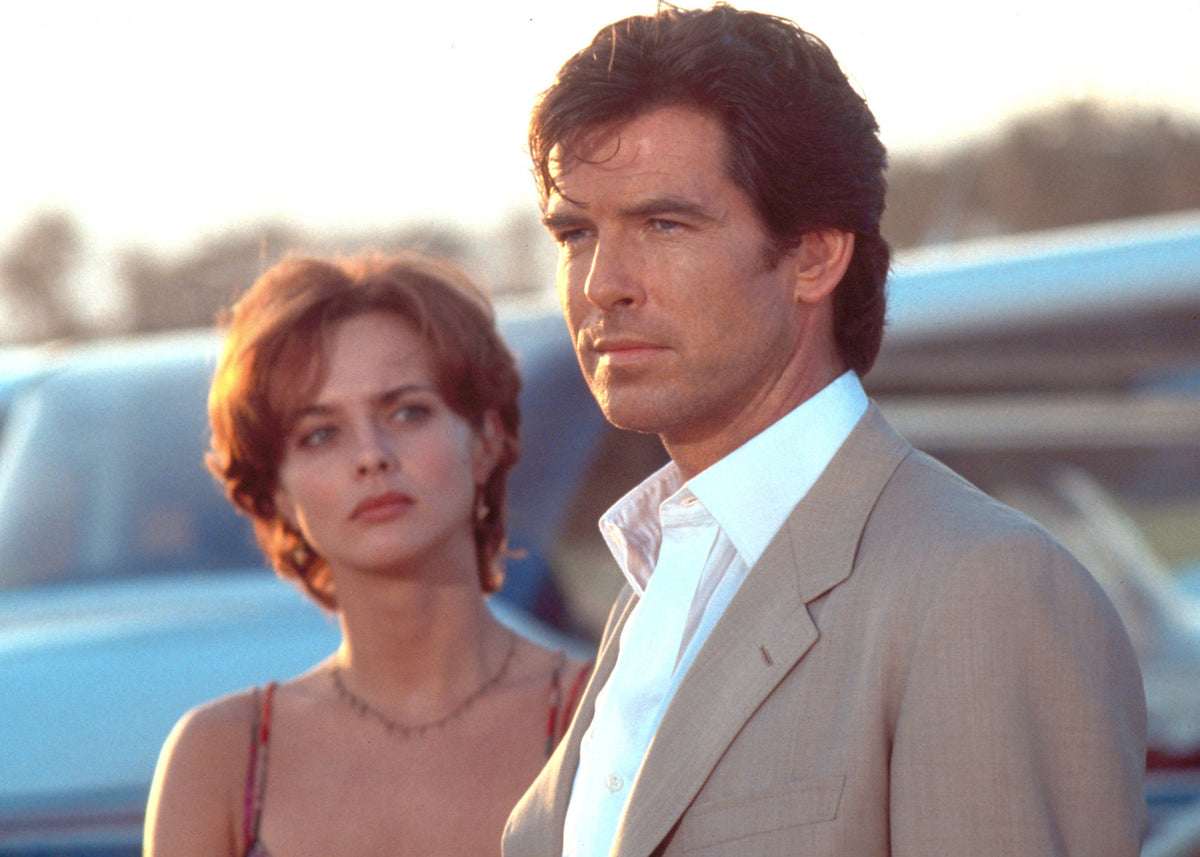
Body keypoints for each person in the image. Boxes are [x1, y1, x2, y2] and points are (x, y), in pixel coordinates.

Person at [503, 4, 1147, 856]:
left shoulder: (981, 587)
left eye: (664, 224)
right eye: (576, 232)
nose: (601, 284)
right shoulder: (660, 582)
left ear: (814, 256)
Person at [144, 252, 590, 856]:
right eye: (320, 434)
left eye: (407, 412)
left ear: (486, 439)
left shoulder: (605, 718)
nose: (371, 455)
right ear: (278, 492)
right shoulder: (221, 759)